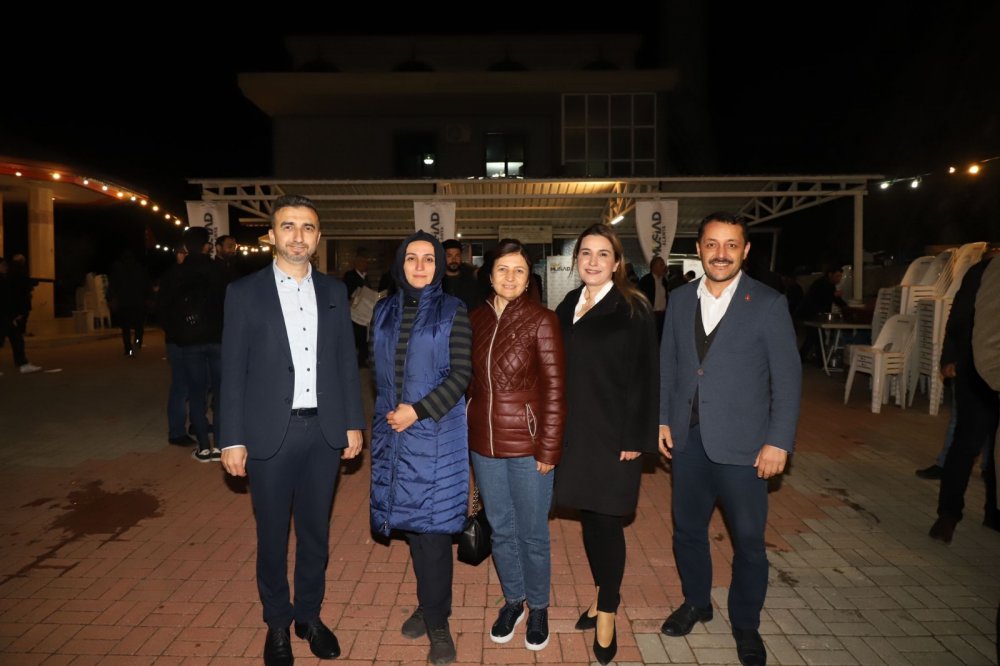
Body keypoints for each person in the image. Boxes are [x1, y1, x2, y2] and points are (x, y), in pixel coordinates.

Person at [219, 195, 365, 666]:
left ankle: (309, 617)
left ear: (318, 238)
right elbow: (232, 370)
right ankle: (278, 623)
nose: (298, 236)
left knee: (315, 534)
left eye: (307, 228)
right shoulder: (244, 293)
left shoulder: (334, 291)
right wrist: (232, 437)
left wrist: (353, 422)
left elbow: (346, 361)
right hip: (268, 435)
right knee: (272, 537)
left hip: (323, 432)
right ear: (271, 235)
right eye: (288, 226)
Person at [658, 212, 801, 666]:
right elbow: (669, 365)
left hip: (745, 448)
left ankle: (745, 624)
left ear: (745, 250)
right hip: (688, 441)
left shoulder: (768, 303)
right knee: (687, 531)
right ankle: (697, 603)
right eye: (712, 244)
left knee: (749, 542)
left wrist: (778, 441)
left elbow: (788, 379)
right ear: (699, 248)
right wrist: (662, 419)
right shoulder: (680, 299)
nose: (721, 254)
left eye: (731, 245)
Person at [553, 223, 659, 665]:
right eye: (585, 253)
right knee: (590, 519)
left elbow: (647, 375)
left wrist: (636, 436)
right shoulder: (567, 305)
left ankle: (608, 612)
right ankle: (601, 596)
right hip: (575, 434)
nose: (593, 261)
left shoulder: (633, 308)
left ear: (617, 263)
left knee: (608, 522)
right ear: (576, 260)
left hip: (616, 435)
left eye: (602, 254)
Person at [369, 230, 471, 666]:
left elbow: (460, 375)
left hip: (435, 435)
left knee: (432, 532)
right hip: (393, 433)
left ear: (439, 266)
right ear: (400, 263)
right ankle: (429, 602)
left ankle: (438, 623)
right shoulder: (382, 310)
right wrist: (393, 414)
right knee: (412, 527)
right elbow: (376, 368)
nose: (420, 266)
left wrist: (418, 410)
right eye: (412, 258)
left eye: (429, 259)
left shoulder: (453, 310)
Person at [467, 239, 566, 651]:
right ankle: (513, 600)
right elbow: (465, 382)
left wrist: (549, 447)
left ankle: (538, 606)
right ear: (490, 276)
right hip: (483, 443)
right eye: (503, 269)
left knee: (532, 532)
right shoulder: (474, 319)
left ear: (528, 280)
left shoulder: (543, 320)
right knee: (502, 530)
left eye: (519, 270)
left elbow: (556, 389)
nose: (510, 277)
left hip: (528, 444)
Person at [929, 253, 999, 542]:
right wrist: (949, 358)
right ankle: (948, 514)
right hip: (977, 371)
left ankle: (993, 513)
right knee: (967, 443)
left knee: (994, 452)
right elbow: (959, 317)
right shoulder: (984, 271)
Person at [156, 226, 229, 461]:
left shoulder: (175, 273)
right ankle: (220, 445)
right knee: (220, 393)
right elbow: (232, 302)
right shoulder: (219, 270)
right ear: (207, 245)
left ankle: (203, 447)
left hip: (189, 343)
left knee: (196, 393)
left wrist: (178, 334)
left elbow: (163, 309)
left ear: (186, 247)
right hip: (217, 340)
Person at [0, 257, 41, 374]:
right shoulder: (4, 280)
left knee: (17, 339)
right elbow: (4, 300)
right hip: (4, 316)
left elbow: (10, 298)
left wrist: (15, 314)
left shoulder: (6, 279)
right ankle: (22, 363)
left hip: (8, 315)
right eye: (3, 265)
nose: (5, 267)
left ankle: (23, 364)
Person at [108, 250, 150, 356]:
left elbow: (112, 286)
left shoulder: (118, 270)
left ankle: (128, 348)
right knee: (138, 327)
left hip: (124, 303)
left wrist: (112, 299)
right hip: (138, 303)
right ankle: (136, 344)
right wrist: (148, 298)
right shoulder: (139, 269)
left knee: (126, 328)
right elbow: (146, 285)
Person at [343, 249, 371, 366]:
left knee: (364, 337)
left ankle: (362, 360)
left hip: (364, 313)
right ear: (358, 263)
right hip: (354, 313)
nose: (366, 264)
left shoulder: (365, 277)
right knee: (356, 337)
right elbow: (346, 293)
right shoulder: (350, 276)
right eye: (364, 262)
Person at [442, 239, 482, 311]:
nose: (454, 260)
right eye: (449, 256)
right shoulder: (436, 282)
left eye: (457, 255)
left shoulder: (471, 279)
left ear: (461, 256)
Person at [638, 256, 669, 339]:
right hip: (651, 314)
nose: (664, 267)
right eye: (661, 265)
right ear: (654, 267)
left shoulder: (664, 281)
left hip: (662, 315)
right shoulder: (645, 280)